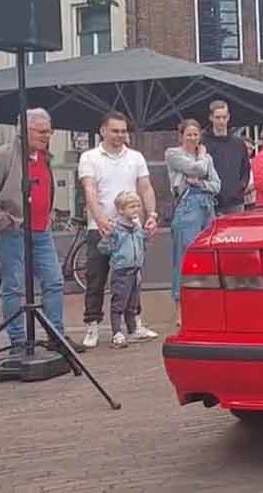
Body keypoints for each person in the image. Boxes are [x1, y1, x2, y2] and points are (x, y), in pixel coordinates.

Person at [0, 108, 80, 353]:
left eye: (48, 131)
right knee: (15, 287)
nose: (46, 136)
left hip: (42, 231)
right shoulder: (2, 156)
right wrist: (3, 220)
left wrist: (48, 213)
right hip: (13, 232)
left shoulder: (45, 156)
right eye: (41, 131)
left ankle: (56, 336)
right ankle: (18, 342)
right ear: (24, 131)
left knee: (53, 282)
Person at [78, 111, 158, 350]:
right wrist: (101, 219)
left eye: (123, 131)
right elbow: (89, 190)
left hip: (131, 228)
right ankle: (92, 325)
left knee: (133, 277)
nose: (120, 135)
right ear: (103, 131)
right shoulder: (89, 157)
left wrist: (152, 215)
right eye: (115, 130)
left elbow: (145, 188)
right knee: (96, 277)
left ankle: (134, 323)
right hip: (102, 228)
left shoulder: (136, 157)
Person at [165, 119, 219, 327]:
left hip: (207, 207)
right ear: (181, 135)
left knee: (208, 257)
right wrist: (203, 157)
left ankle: (205, 305)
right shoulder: (173, 154)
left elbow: (216, 185)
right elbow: (196, 168)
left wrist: (202, 183)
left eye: (196, 134)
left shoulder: (207, 158)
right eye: (189, 134)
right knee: (184, 258)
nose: (193, 138)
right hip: (187, 207)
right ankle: (180, 310)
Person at [97, 192, 146, 349]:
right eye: (131, 206)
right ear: (121, 210)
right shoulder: (115, 229)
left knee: (133, 303)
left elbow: (142, 245)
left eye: (137, 206)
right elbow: (103, 249)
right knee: (119, 303)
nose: (136, 209)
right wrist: (107, 237)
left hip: (135, 270)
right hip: (121, 272)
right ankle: (117, 332)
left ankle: (132, 330)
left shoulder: (137, 228)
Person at [203, 101, 251, 215]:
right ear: (211, 118)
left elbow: (245, 170)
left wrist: (240, 188)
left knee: (238, 232)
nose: (221, 121)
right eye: (217, 117)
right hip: (211, 202)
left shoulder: (239, 143)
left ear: (228, 117)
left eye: (224, 117)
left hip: (236, 202)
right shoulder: (203, 143)